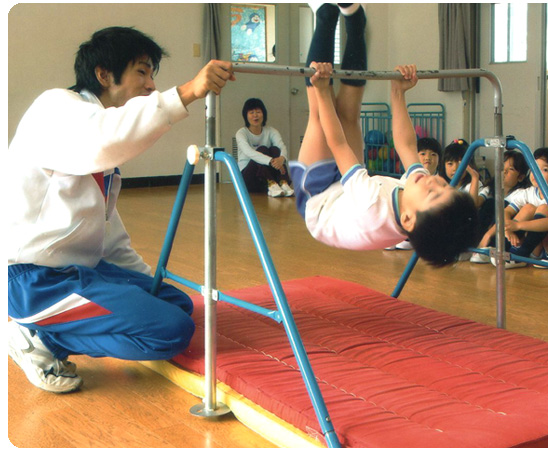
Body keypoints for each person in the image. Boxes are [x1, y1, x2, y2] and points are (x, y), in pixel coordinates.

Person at [6, 26, 235, 393]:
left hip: (82, 271)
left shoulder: (97, 136)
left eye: (152, 75)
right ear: (103, 74)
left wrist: (147, 284)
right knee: (170, 331)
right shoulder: (56, 108)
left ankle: (55, 328)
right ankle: (39, 337)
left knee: (176, 304)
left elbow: (107, 231)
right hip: (34, 280)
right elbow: (106, 139)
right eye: (142, 72)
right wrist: (190, 91)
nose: (150, 85)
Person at [288, 4, 478, 267]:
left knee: (321, 116)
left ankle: (324, 13)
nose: (433, 181)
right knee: (350, 114)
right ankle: (355, 19)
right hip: (347, 190)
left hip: (319, 202)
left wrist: (322, 90)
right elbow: (406, 143)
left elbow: (338, 142)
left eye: (434, 193)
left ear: (409, 219)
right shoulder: (417, 195)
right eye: (444, 185)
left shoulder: (371, 206)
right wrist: (398, 93)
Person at [497, 147, 548, 268]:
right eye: (534, 168)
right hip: (534, 248)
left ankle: (520, 255)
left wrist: (517, 225)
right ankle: (511, 251)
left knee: (543, 208)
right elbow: (506, 212)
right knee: (528, 208)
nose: (536, 173)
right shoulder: (528, 192)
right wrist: (509, 229)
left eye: (544, 170)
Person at [471, 149, 532, 263]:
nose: (504, 172)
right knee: (489, 204)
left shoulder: (521, 193)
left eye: (511, 169)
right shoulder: (490, 189)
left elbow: (506, 218)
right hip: (486, 233)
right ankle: (477, 245)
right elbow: (474, 204)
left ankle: (489, 247)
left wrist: (488, 236)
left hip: (505, 235)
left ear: (521, 177)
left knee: (502, 205)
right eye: (501, 167)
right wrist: (475, 178)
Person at [235, 98, 294, 197]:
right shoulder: (241, 133)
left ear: (264, 114)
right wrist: (271, 161)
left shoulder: (271, 131)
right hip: (248, 179)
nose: (255, 115)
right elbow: (249, 152)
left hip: (263, 178)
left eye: (258, 112)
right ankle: (272, 184)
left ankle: (283, 183)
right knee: (262, 149)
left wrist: (281, 159)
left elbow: (281, 146)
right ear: (246, 115)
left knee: (275, 149)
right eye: (251, 112)